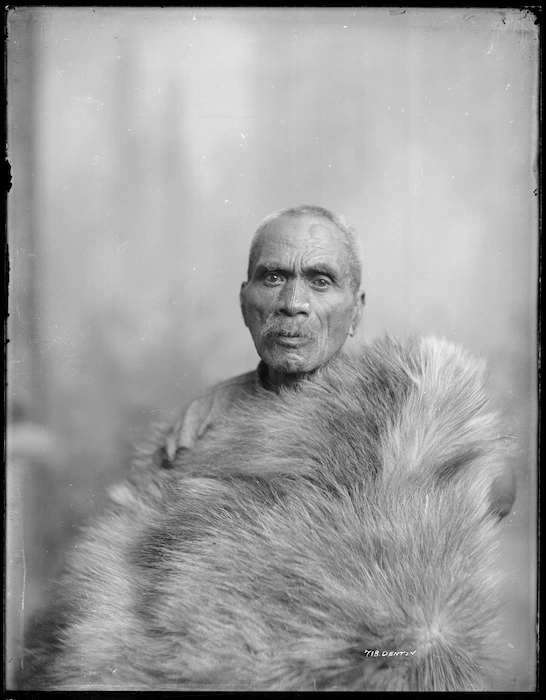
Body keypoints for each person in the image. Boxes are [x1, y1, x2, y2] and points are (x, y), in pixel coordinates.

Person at [163, 204, 365, 458]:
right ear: (243, 303)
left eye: (321, 282)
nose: (292, 304)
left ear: (356, 311)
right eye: (273, 278)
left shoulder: (399, 421)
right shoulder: (202, 419)